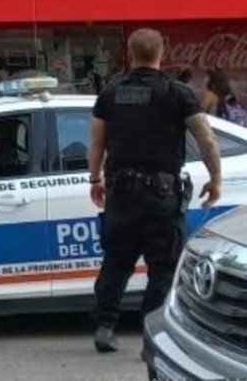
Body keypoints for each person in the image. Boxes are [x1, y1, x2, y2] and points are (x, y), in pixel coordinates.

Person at [88, 28, 221, 353]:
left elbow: (96, 142)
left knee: (116, 263)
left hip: (121, 195)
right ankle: (152, 338)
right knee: (162, 270)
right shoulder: (177, 93)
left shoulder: (110, 93)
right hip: (161, 198)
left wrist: (95, 179)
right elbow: (206, 138)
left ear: (130, 55)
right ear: (162, 54)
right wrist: (215, 177)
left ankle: (105, 327)